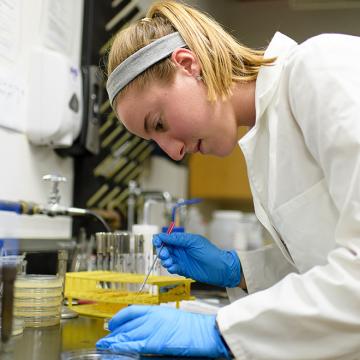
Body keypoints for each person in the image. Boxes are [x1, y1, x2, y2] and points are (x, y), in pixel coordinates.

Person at [96, 0, 360, 358]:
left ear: (188, 65)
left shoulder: (321, 67)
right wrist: (239, 270)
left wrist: (221, 332)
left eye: (159, 124)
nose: (172, 152)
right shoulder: (265, 138)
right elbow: (324, 264)